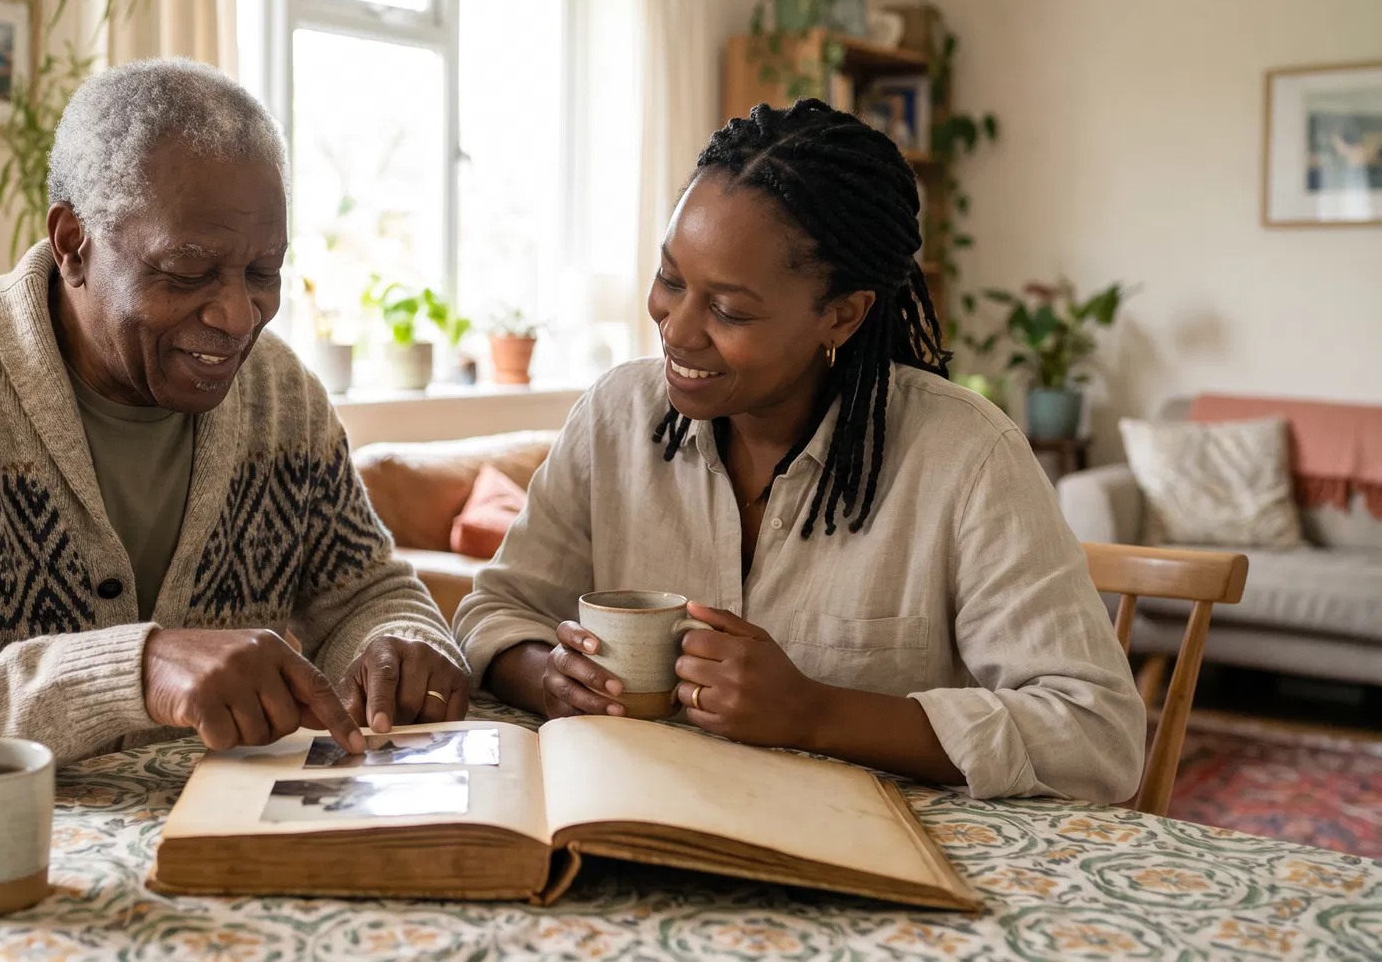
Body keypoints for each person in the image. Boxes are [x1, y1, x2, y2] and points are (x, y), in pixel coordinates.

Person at [0, 58, 469, 819]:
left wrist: (395, 642)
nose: (238, 316)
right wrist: (134, 671)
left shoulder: (282, 400)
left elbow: (366, 591)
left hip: (195, 853)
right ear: (73, 242)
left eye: (262, 272)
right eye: (187, 270)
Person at [454, 100, 1145, 803]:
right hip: (641, 825)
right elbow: (495, 610)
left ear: (842, 314)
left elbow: (1097, 735)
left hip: (876, 866)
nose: (678, 329)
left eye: (729, 310)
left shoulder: (965, 458)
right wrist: (545, 674)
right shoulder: (614, 417)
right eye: (670, 280)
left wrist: (817, 713)